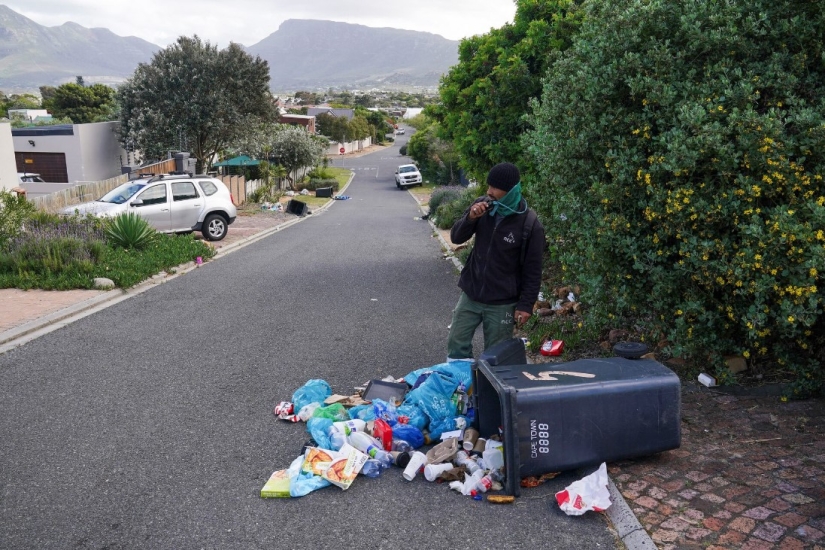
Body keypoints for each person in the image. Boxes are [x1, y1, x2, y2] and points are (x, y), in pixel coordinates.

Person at [447, 162, 546, 360]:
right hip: (471, 294)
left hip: (502, 303)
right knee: (456, 344)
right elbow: (456, 238)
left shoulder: (530, 224)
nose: (488, 191)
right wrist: (470, 218)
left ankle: (488, 391)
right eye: (488, 186)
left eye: (494, 187)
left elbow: (533, 270)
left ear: (510, 191)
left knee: (495, 358)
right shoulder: (482, 207)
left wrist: (526, 305)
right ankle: (461, 387)